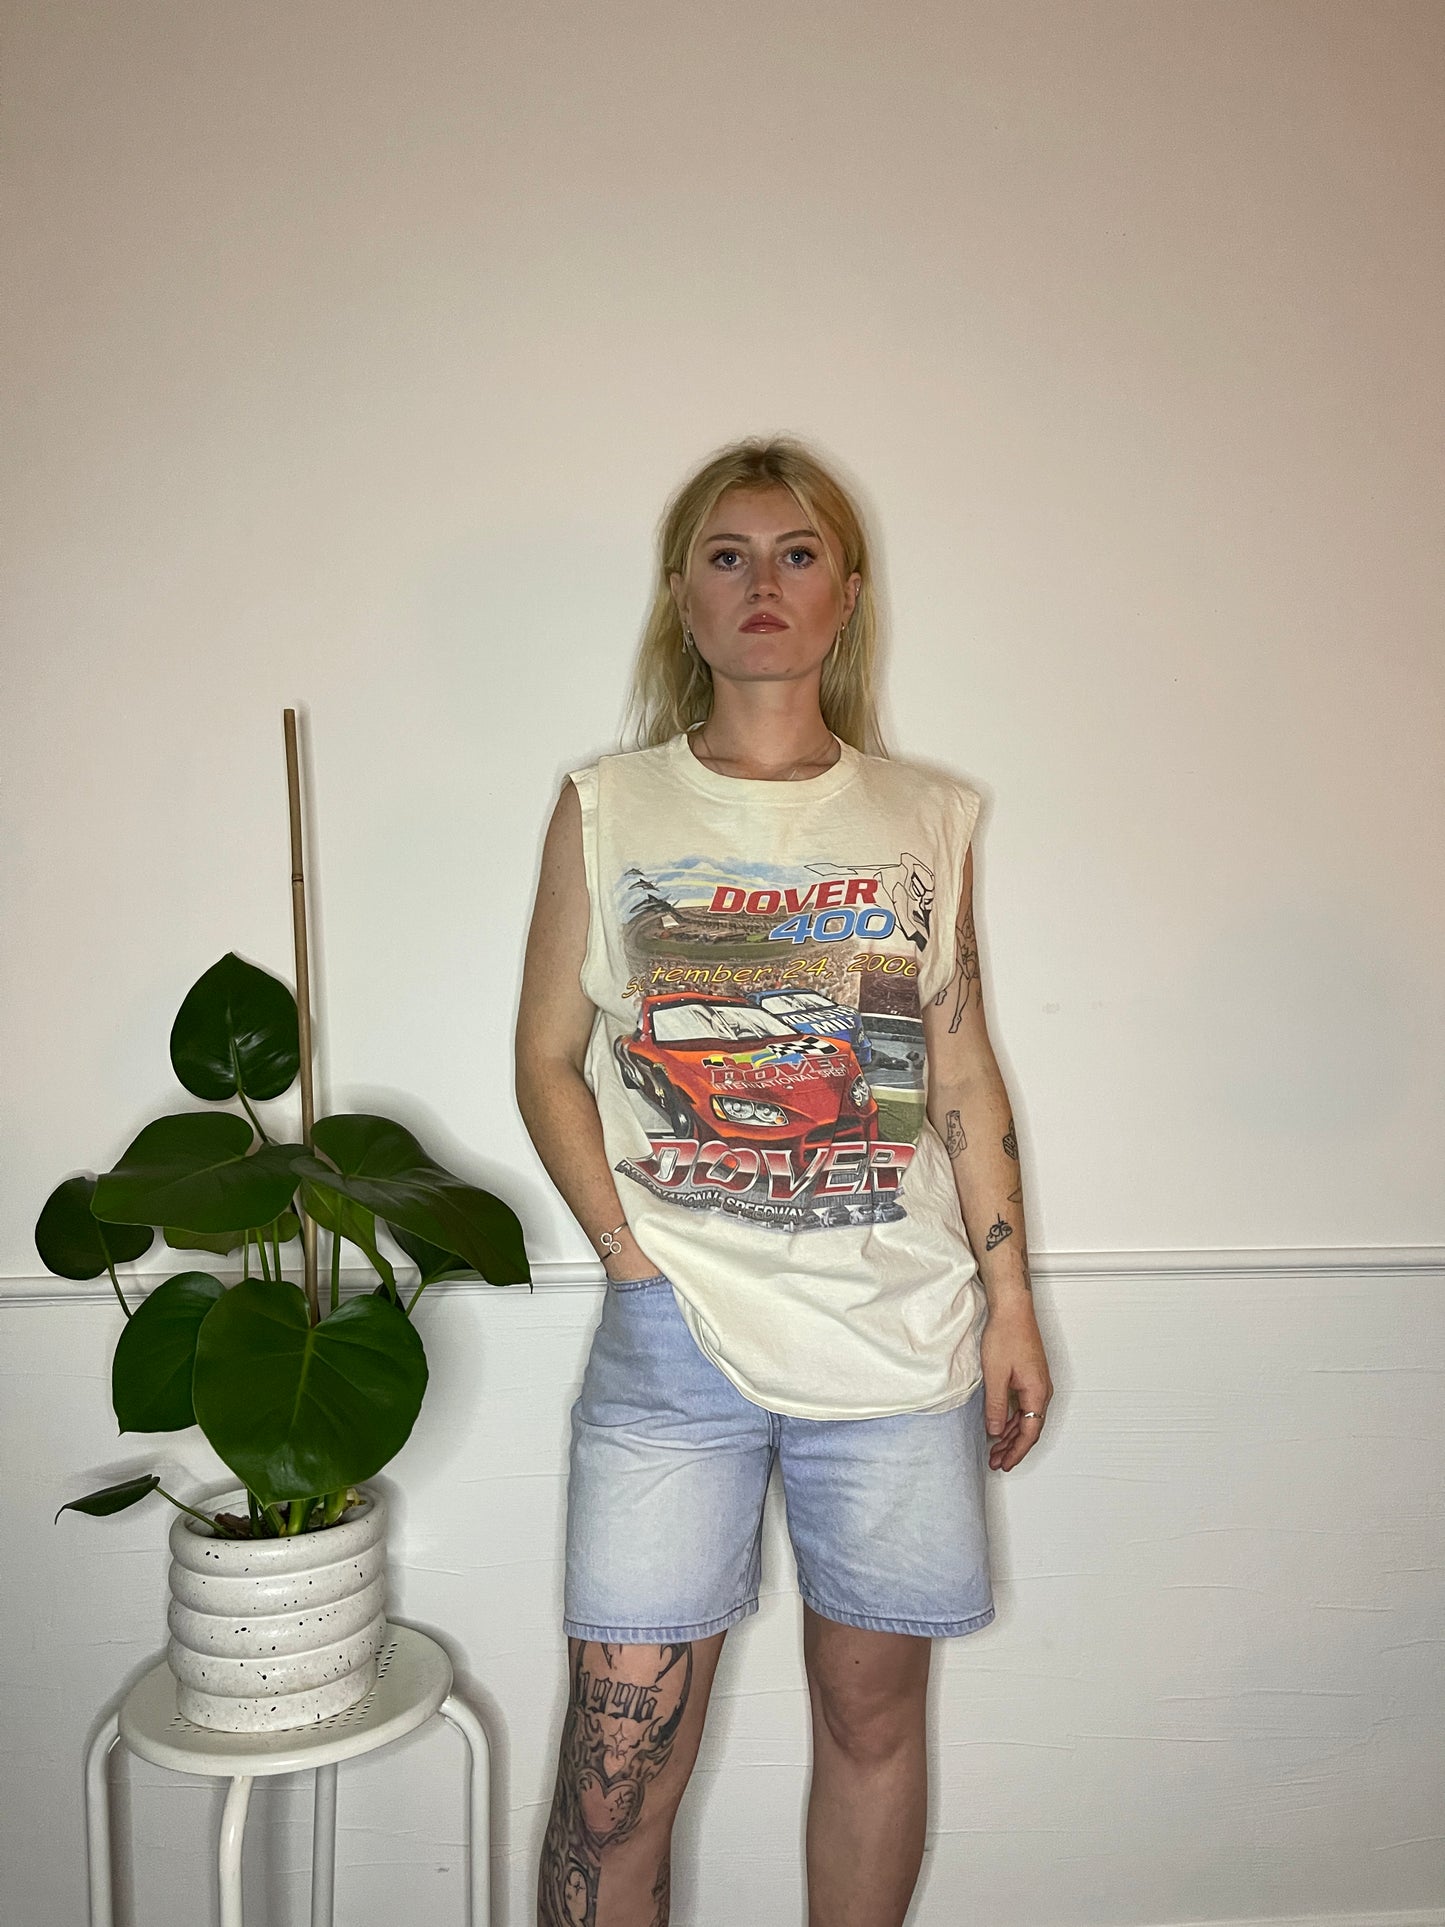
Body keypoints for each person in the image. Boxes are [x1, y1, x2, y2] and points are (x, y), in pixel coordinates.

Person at [514, 436, 1053, 1927]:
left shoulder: (925, 817)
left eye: (797, 552)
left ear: (846, 595)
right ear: (681, 596)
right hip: (673, 1335)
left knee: (870, 1723)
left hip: (894, 1341)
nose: (763, 581)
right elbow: (547, 1059)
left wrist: (1010, 1304)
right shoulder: (609, 805)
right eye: (728, 554)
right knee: (614, 1776)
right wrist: (626, 1252)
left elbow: (958, 1072)